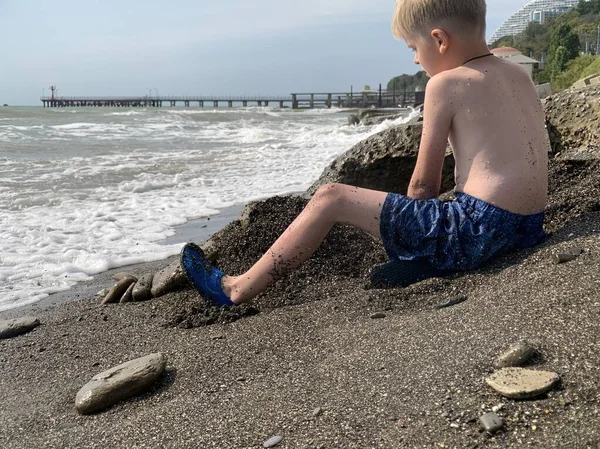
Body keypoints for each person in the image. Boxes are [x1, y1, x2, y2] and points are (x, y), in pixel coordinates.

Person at [180, 0, 549, 306]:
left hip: (476, 231)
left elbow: (424, 184)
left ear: (438, 40)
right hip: (528, 227)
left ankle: (236, 288)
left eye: (413, 49)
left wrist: (407, 233)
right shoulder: (519, 76)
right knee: (442, 214)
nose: (416, 62)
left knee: (330, 197)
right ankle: (430, 262)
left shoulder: (444, 84)